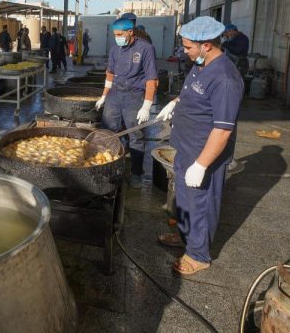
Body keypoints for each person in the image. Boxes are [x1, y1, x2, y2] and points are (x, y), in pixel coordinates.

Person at [155, 16, 244, 276]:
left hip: (204, 153)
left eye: (187, 46)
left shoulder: (225, 79)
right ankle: (185, 238)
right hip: (186, 147)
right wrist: (176, 103)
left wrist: (202, 165)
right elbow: (193, 92)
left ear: (206, 45)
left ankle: (198, 254)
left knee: (200, 204)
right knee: (183, 199)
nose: (184, 51)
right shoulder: (201, 64)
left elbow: (223, 128)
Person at [95, 18, 158, 189]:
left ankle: (136, 173)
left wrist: (146, 105)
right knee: (108, 131)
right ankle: (106, 166)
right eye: (115, 35)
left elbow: (151, 79)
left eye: (120, 34)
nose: (117, 37)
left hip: (134, 96)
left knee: (136, 136)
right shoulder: (115, 49)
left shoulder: (146, 48)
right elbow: (110, 74)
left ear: (130, 32)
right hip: (115, 94)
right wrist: (104, 96)